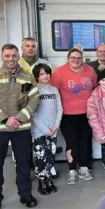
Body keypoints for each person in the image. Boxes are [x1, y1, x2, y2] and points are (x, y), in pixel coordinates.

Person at [0, 43, 41, 209]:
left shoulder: (28, 76)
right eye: (7, 56)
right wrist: (5, 119)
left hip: (21, 128)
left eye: (14, 55)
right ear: (2, 56)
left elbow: (35, 99)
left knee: (23, 162)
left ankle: (26, 194)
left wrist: (19, 118)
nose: (11, 59)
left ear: (18, 56)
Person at [51, 45, 97, 185]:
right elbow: (54, 93)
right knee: (72, 142)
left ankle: (83, 168)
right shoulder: (59, 73)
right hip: (68, 115)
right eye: (73, 58)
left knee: (84, 141)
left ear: (82, 59)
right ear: (68, 59)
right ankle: (72, 170)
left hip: (87, 114)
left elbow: (95, 88)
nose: (76, 60)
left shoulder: (90, 71)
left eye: (78, 58)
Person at [18, 37, 57, 178]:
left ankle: (47, 167)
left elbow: (50, 80)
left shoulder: (44, 63)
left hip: (41, 101)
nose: (30, 48)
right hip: (21, 103)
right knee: (23, 139)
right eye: (27, 46)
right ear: (22, 48)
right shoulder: (16, 63)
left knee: (41, 137)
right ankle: (25, 168)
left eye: (33, 46)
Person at [31, 64, 63, 196]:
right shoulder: (34, 91)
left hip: (53, 129)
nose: (45, 76)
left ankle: (49, 178)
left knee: (50, 155)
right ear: (37, 76)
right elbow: (32, 114)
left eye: (47, 73)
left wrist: (56, 125)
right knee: (40, 157)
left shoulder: (54, 90)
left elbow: (60, 108)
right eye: (42, 73)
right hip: (39, 131)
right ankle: (41, 181)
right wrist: (45, 129)